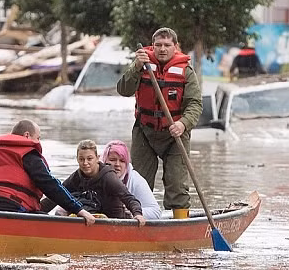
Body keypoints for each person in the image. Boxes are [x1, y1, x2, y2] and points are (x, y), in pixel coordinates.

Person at [116, 27, 202, 219]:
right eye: (158, 45)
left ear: (175, 47)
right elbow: (123, 89)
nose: (162, 49)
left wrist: (183, 124)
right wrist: (135, 68)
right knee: (137, 180)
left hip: (175, 134)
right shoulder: (141, 65)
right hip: (145, 132)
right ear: (152, 46)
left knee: (177, 183)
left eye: (167, 45)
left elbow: (195, 104)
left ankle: (180, 223)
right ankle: (135, 219)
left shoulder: (186, 71)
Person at [0, 120, 98, 224]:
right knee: (46, 222)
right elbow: (49, 184)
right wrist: (79, 210)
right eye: (38, 138)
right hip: (9, 206)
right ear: (27, 136)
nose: (39, 142)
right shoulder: (28, 154)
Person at [42, 140, 146, 225]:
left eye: (89, 159)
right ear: (77, 159)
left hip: (112, 222)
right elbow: (57, 195)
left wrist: (138, 214)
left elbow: (128, 198)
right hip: (90, 218)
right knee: (61, 211)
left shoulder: (109, 177)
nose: (85, 163)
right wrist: (35, 210)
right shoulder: (76, 177)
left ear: (97, 158)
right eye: (81, 159)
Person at [102, 140, 162, 220]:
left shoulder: (136, 180)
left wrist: (130, 212)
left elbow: (155, 212)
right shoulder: (95, 174)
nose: (117, 164)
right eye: (113, 160)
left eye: (122, 161)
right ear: (104, 161)